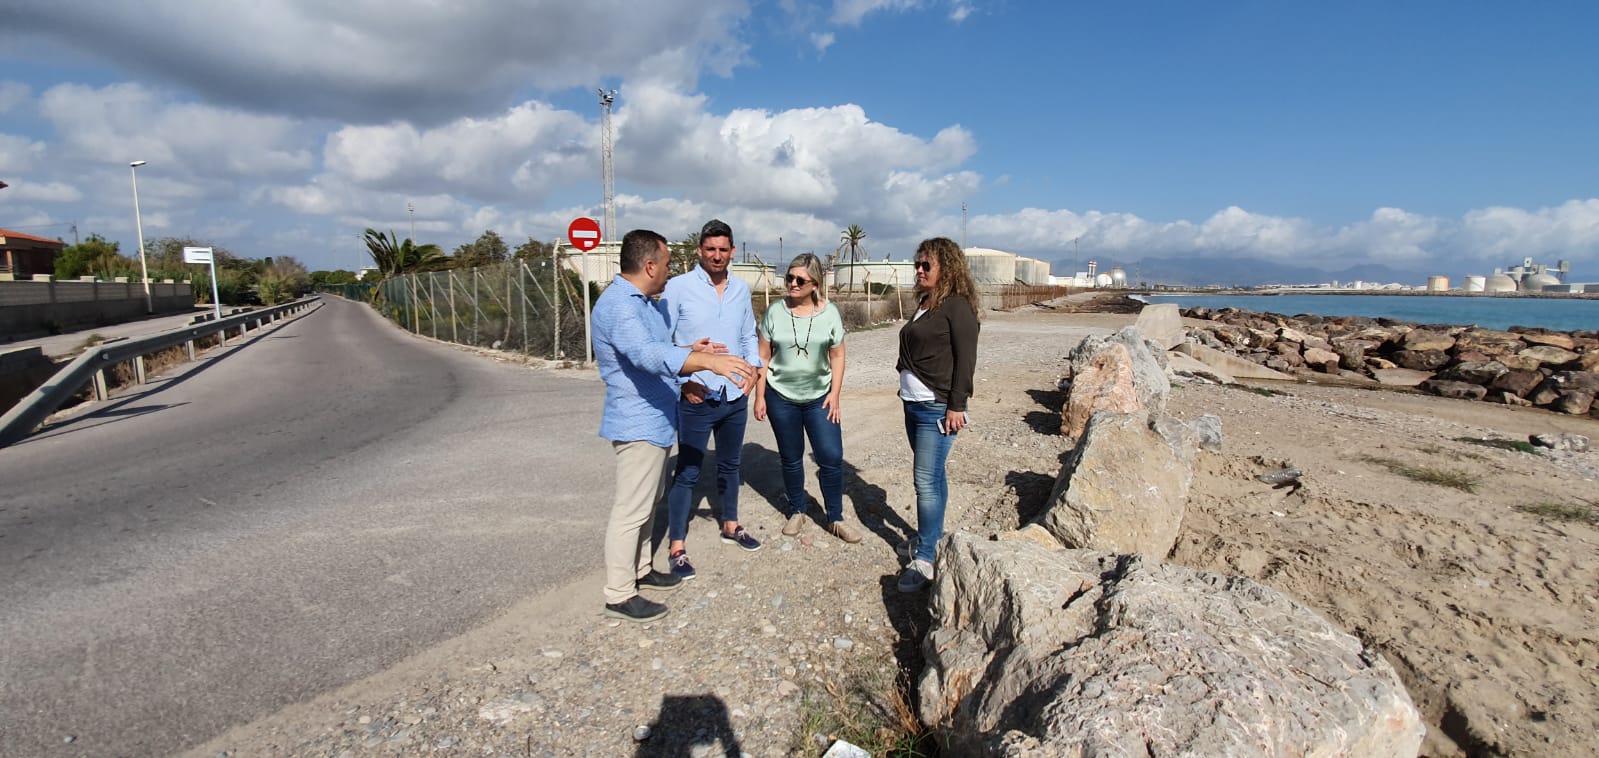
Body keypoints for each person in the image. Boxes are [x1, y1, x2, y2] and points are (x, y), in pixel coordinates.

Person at [592, 229, 755, 622]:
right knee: (631, 509)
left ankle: (641, 570)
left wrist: (691, 351)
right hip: (637, 422)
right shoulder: (620, 306)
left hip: (657, 420)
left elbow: (662, 348)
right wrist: (709, 363)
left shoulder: (643, 303)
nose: (669, 270)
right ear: (649, 265)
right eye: (665, 263)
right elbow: (647, 355)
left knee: (648, 504)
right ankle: (619, 593)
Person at [661, 219, 766, 580]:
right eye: (710, 249)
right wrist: (682, 380)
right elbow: (659, 343)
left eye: (723, 250)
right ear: (700, 251)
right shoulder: (678, 288)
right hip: (696, 395)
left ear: (732, 251)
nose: (717, 256)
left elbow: (748, 334)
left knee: (730, 465)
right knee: (688, 472)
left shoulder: (739, 289)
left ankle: (731, 525)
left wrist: (753, 371)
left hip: (734, 394)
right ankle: (677, 546)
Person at [752, 253, 859, 543]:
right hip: (780, 397)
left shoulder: (830, 313)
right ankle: (797, 509)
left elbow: (837, 355)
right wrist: (759, 396)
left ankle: (835, 517)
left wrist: (835, 395)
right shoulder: (775, 311)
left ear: (815, 284)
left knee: (831, 457)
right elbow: (763, 355)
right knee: (791, 457)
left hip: (819, 398)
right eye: (789, 278)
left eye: (800, 280)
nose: (793, 284)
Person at [894, 237, 980, 593]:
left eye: (926, 265)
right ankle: (932, 537)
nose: (919, 270)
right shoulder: (927, 304)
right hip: (913, 403)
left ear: (947, 267)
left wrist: (957, 404)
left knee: (924, 481)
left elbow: (966, 358)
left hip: (936, 407)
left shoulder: (957, 307)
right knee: (934, 477)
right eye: (917, 264)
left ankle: (926, 557)